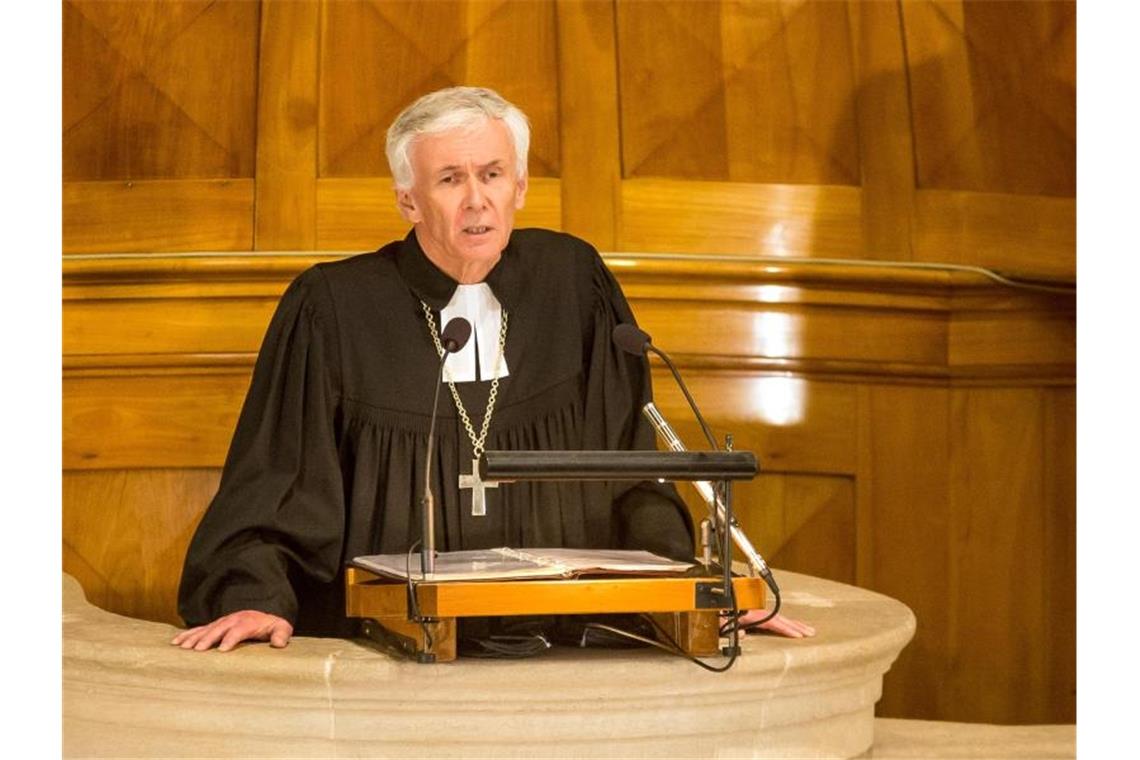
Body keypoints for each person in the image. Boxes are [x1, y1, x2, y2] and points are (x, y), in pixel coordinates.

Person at [172, 86, 812, 652]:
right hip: (393, 647)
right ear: (408, 201)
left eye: (493, 175)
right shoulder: (335, 308)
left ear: (521, 186)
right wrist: (251, 596)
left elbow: (630, 465)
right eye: (449, 179)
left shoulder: (573, 284)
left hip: (569, 646)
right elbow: (277, 481)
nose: (477, 201)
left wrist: (692, 593)